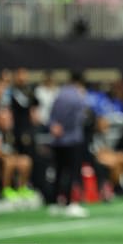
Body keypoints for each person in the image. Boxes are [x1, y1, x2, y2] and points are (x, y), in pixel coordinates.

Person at [48, 71, 89, 217]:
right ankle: (72, 202)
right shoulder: (79, 96)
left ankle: (55, 202)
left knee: (59, 171)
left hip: (58, 140)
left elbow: (51, 116)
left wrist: (56, 127)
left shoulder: (59, 94)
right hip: (72, 139)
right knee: (73, 173)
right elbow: (80, 118)